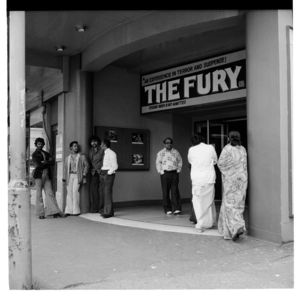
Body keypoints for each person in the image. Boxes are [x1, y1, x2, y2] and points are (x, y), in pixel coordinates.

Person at [217, 131, 248, 241]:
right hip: (242, 180)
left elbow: (220, 163)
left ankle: (235, 227)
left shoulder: (227, 149)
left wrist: (229, 172)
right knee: (239, 204)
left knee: (229, 204)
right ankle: (236, 226)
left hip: (231, 180)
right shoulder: (243, 149)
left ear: (229, 138)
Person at [187, 133, 218, 232]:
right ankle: (210, 221)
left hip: (197, 179)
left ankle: (200, 223)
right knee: (209, 200)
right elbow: (215, 160)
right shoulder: (210, 148)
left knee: (198, 202)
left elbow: (190, 161)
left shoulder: (191, 150)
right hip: (209, 178)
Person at [32, 137, 67, 219]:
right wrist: (47, 162)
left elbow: (53, 162)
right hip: (39, 176)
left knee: (50, 193)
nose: (40, 145)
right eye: (38, 144)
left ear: (43, 144)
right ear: (36, 145)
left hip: (47, 175)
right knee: (39, 194)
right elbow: (39, 164)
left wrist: (45, 162)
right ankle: (40, 213)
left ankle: (55, 211)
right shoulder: (34, 154)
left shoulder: (46, 153)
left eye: (41, 144)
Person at [156, 137, 182, 215]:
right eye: (167, 143)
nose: (169, 144)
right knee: (165, 191)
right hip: (165, 173)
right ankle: (168, 209)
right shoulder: (160, 153)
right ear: (164, 144)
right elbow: (158, 163)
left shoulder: (176, 152)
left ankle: (176, 209)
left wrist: (178, 170)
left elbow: (180, 161)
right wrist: (161, 172)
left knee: (175, 191)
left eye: (170, 142)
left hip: (174, 173)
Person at [62, 141, 90, 216]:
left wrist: (84, 174)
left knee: (75, 191)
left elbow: (87, 165)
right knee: (69, 193)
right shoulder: (67, 158)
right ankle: (68, 211)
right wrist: (64, 178)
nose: (76, 147)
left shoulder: (81, 156)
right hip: (69, 176)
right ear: (71, 147)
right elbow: (65, 168)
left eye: (77, 146)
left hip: (77, 176)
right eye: (74, 146)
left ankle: (76, 211)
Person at [99, 139, 118, 218]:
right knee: (105, 193)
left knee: (107, 193)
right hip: (103, 172)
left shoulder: (111, 153)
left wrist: (108, 172)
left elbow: (115, 166)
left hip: (108, 174)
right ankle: (108, 211)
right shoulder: (105, 153)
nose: (100, 146)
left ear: (104, 145)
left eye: (102, 144)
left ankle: (108, 212)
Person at [89, 135, 104, 213]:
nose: (93, 143)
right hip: (94, 172)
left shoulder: (102, 150)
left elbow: (104, 160)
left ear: (98, 142)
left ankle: (102, 209)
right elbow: (91, 161)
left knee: (101, 190)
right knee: (93, 190)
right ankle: (95, 208)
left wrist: (101, 169)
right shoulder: (90, 150)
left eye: (95, 141)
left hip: (101, 172)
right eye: (92, 141)